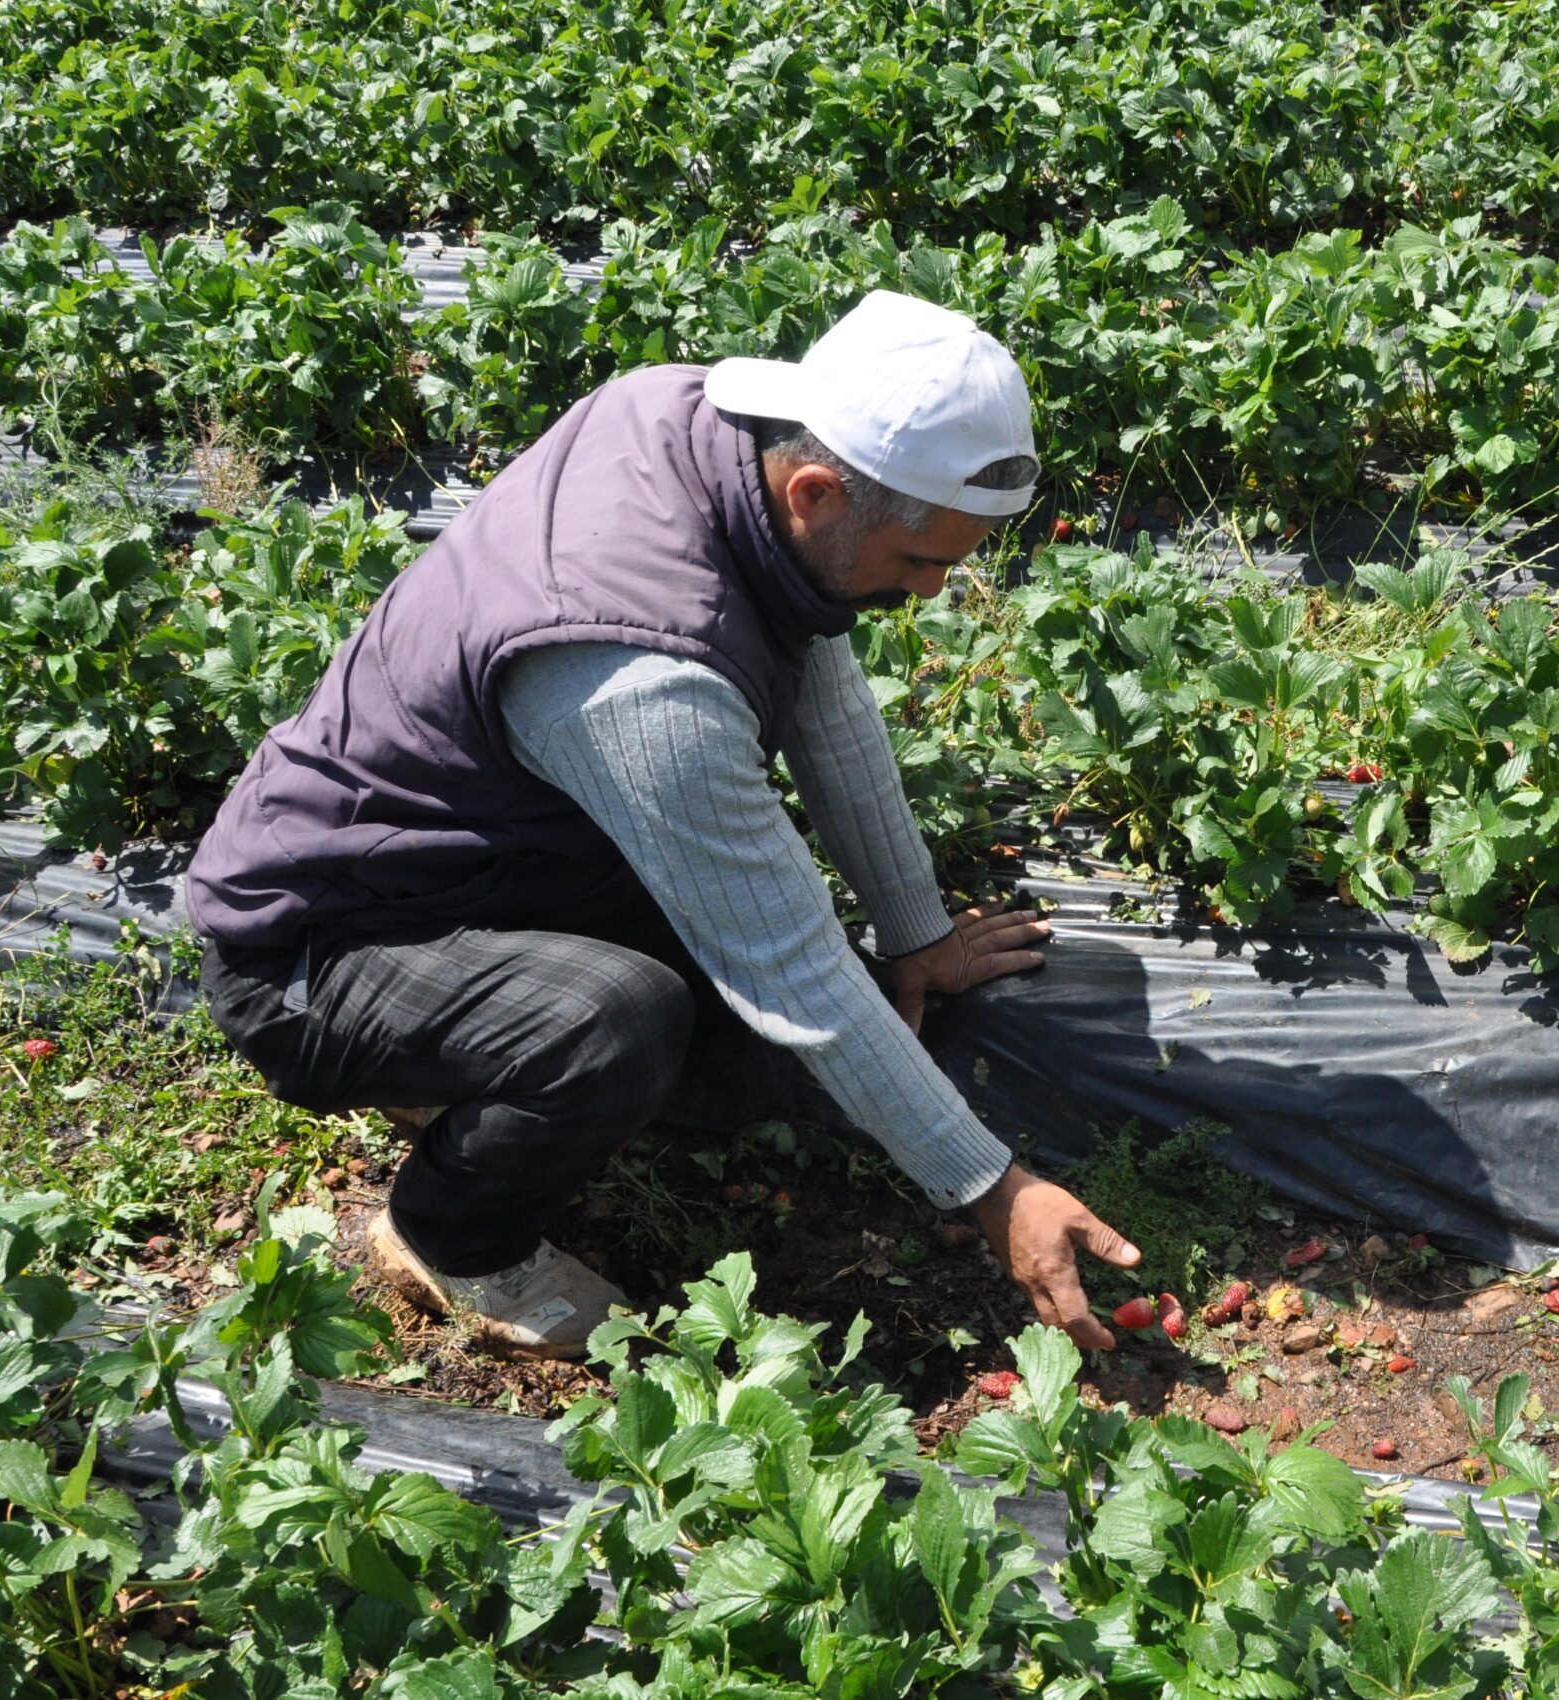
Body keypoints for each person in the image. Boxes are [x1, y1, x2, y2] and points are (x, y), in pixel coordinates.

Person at [185, 291, 1143, 1360]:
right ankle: (451, 1235)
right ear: (818, 492)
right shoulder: (640, 681)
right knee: (620, 1020)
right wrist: (993, 1190)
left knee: (754, 1031)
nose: (929, 590)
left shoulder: (698, 428)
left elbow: (824, 691)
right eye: (922, 560)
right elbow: (792, 969)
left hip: (481, 858)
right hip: (318, 948)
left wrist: (915, 930)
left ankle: (470, 1061)